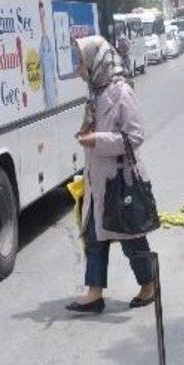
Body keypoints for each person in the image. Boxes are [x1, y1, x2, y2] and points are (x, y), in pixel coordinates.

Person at [66, 36, 156, 315]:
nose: (79, 67)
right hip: (98, 180)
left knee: (130, 236)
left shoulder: (121, 92)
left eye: (81, 61)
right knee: (94, 237)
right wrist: (87, 134)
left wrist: (97, 139)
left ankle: (149, 284)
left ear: (96, 60)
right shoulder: (96, 91)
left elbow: (134, 136)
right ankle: (94, 293)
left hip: (120, 180)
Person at [38, 1, 58, 110]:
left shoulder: (48, 43)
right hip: (47, 86)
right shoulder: (42, 45)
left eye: (43, 13)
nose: (42, 16)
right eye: (40, 14)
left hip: (51, 86)